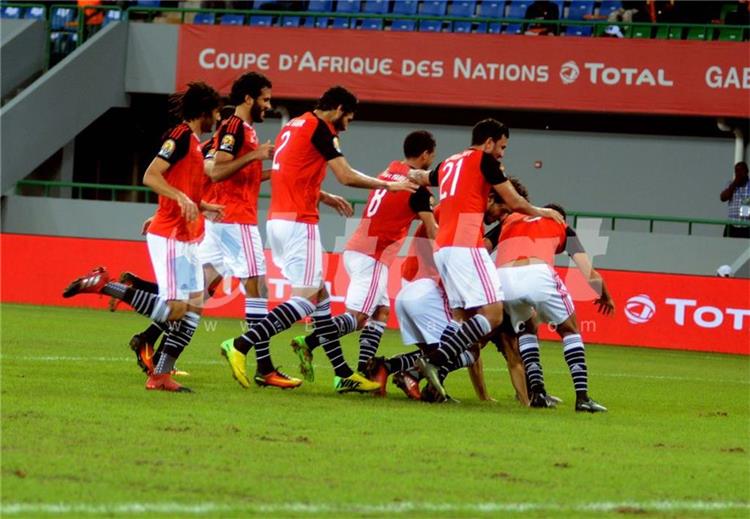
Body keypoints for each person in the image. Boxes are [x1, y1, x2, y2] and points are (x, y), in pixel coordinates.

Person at [219, 86, 417, 394]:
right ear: (338, 109)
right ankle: (241, 344)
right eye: (348, 117)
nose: (347, 124)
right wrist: (388, 186)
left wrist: (322, 195)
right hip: (299, 222)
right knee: (307, 299)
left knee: (321, 298)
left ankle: (342, 373)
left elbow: (290, 173)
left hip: (278, 219)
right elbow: (346, 175)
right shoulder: (321, 128)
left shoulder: (293, 125)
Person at [62, 81, 222, 392]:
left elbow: (184, 188)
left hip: (187, 236)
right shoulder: (180, 136)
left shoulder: (195, 144)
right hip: (171, 236)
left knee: (194, 309)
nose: (217, 117)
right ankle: (104, 286)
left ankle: (160, 375)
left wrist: (202, 205)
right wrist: (180, 199)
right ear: (204, 111)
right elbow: (151, 175)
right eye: (215, 112)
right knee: (177, 310)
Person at [410, 118, 563, 400]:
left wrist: (404, 175)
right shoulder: (485, 161)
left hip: (443, 247)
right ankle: (432, 362)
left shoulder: (449, 163)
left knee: (461, 318)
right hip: (466, 245)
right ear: (489, 142)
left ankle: (423, 377)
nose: (502, 153)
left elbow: (422, 177)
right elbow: (514, 201)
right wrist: (543, 211)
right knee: (492, 314)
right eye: (502, 146)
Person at [289, 130, 438, 388]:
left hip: (358, 247)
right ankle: (309, 342)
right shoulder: (418, 189)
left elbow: (394, 209)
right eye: (432, 156)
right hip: (374, 255)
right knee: (358, 318)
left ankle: (364, 372)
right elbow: (432, 230)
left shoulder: (389, 172)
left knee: (380, 311)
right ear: (425, 155)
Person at [485, 201, 614, 412]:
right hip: (537, 271)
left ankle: (537, 394)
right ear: (560, 217)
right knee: (570, 330)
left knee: (527, 329)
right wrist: (606, 297)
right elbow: (589, 273)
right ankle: (582, 398)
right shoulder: (563, 226)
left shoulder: (511, 219)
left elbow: (483, 247)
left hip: (504, 278)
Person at [720, 161, 750, 239]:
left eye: (741, 171)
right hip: (732, 226)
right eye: (736, 171)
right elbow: (723, 198)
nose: (738, 174)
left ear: (747, 172)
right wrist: (735, 183)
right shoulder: (730, 184)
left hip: (747, 226)